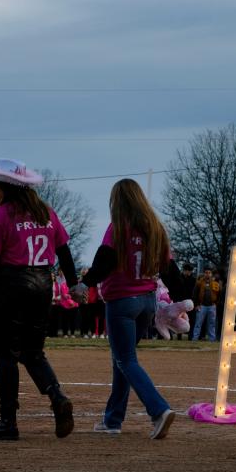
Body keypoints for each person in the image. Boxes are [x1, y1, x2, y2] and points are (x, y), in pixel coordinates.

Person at [0, 158, 78, 441]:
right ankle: (57, 397)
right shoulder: (46, 213)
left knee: (5, 356)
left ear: (6, 187)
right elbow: (64, 251)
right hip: (43, 285)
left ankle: (8, 422)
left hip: (10, 285)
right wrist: (75, 283)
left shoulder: (0, 215)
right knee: (33, 353)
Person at [75, 178, 176, 439]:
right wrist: (182, 298)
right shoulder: (154, 228)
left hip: (121, 302)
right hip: (147, 302)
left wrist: (84, 284)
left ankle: (159, 409)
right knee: (121, 359)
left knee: (126, 360)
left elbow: (104, 261)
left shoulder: (118, 228)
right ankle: (113, 420)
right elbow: (170, 268)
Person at [191, 267, 220, 341]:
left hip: (212, 306)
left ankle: (212, 339)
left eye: (209, 273)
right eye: (206, 272)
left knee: (212, 323)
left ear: (211, 274)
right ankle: (195, 338)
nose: (207, 274)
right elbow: (194, 295)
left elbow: (219, 295)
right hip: (201, 305)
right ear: (204, 274)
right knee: (198, 323)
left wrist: (216, 304)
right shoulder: (199, 283)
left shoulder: (216, 284)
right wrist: (196, 305)